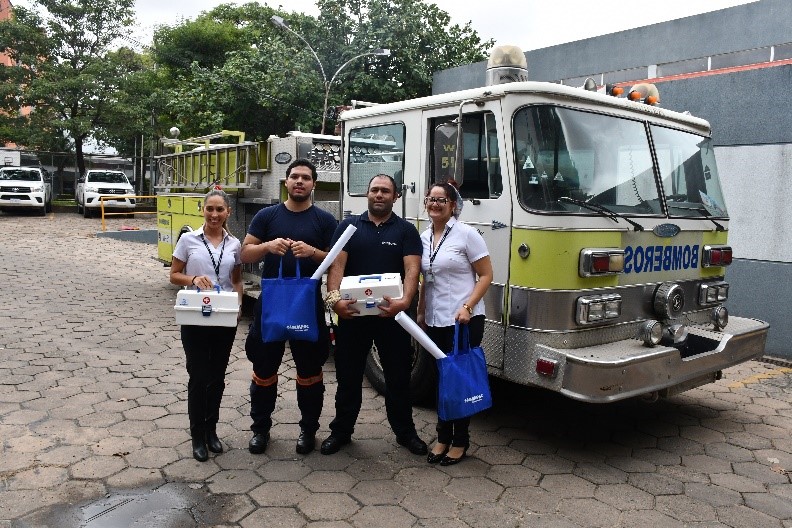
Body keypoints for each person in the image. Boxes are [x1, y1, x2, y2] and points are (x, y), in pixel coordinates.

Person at [321, 174, 427, 456]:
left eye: (385, 191)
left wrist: (404, 301)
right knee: (348, 377)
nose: (379, 195)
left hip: (391, 318)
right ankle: (341, 431)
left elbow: (412, 269)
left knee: (398, 378)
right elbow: (336, 267)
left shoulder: (406, 231)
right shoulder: (348, 227)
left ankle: (405, 433)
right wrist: (334, 301)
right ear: (366, 194)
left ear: (396, 197)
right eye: (374, 190)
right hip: (352, 316)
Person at [241, 159, 337, 455]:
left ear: (313, 185)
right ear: (286, 182)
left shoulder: (324, 220)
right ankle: (260, 430)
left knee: (310, 372)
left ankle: (308, 430)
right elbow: (244, 254)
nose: (299, 181)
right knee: (263, 369)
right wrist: (268, 246)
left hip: (306, 306)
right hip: (271, 305)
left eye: (305, 178)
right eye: (294, 176)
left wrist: (313, 252)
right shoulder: (267, 216)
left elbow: (336, 261)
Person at [418, 180, 493, 466]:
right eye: (431, 199)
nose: (435, 204)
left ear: (453, 205)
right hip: (436, 320)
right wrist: (422, 311)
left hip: (464, 320)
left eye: (441, 200)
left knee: (458, 379)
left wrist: (467, 306)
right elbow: (427, 278)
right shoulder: (424, 237)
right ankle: (441, 437)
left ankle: (460, 441)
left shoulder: (467, 235)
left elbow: (486, 275)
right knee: (440, 379)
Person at [170, 188, 243, 462]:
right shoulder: (188, 240)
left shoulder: (234, 244)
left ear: (228, 213)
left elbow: (236, 281)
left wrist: (238, 306)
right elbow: (174, 275)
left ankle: (212, 431)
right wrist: (193, 279)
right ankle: (197, 436)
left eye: (219, 210)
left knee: (217, 377)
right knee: (198, 376)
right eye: (209, 209)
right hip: (196, 318)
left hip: (224, 318)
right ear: (203, 210)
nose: (214, 214)